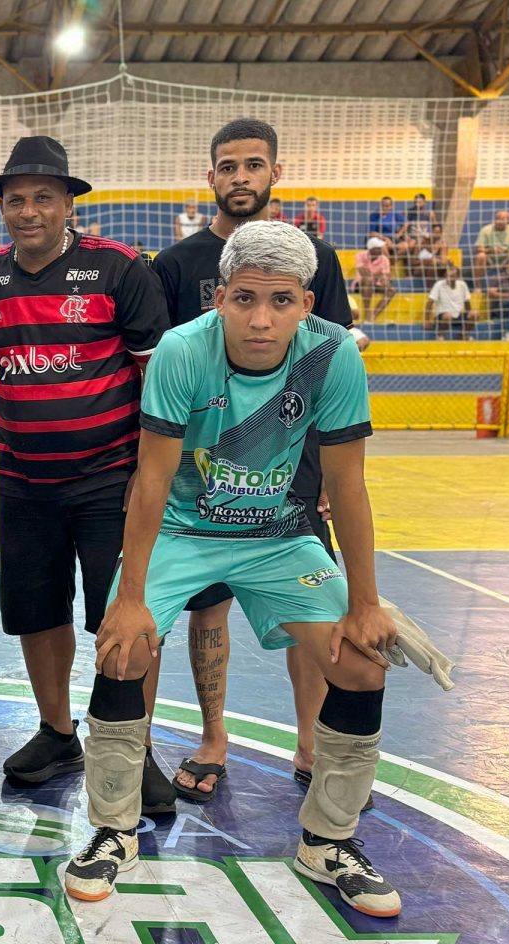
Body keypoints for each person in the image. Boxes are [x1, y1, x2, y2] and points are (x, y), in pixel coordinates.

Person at [65, 220, 402, 920]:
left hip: (278, 532)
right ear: (219, 298)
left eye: (281, 301)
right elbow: (152, 480)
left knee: (363, 660)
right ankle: (113, 830)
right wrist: (130, 597)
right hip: (183, 530)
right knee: (123, 648)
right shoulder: (182, 351)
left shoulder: (334, 354)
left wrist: (366, 602)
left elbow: (348, 485)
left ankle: (328, 841)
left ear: (306, 304)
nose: (261, 319)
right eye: (245, 298)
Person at [148, 116, 363, 809]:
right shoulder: (175, 265)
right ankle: (213, 738)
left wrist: (325, 475)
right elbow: (165, 378)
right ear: (210, 176)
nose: (241, 177)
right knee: (206, 607)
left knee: (308, 610)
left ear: (276, 172)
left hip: (293, 467)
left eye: (254, 165)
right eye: (229, 166)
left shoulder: (316, 258)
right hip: (201, 475)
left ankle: (310, 740)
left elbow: (331, 360)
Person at [0, 136, 169, 792]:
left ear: (68, 204)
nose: (28, 211)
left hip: (110, 482)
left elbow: (159, 383)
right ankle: (57, 733)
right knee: (36, 612)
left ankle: (135, 750)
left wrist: (150, 478)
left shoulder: (119, 270)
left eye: (42, 198)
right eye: (15, 200)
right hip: (22, 482)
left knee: (126, 620)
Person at [427, 264, 473, 339]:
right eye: (448, 276)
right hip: (443, 315)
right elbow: (429, 302)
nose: (449, 278)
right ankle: (440, 335)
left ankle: (463, 335)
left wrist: (469, 314)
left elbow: (467, 302)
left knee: (475, 314)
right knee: (448, 316)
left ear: (457, 277)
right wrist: (426, 320)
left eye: (452, 276)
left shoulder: (462, 285)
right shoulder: (439, 284)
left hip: (457, 315)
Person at [354, 238, 396, 320]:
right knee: (368, 280)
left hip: (376, 284)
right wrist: (379, 275)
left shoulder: (384, 259)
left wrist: (384, 279)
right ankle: (367, 312)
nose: (381, 250)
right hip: (360, 284)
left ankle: (373, 316)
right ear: (371, 249)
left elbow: (387, 277)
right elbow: (363, 274)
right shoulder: (360, 255)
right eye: (378, 248)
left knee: (392, 290)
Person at [475, 210, 509, 277]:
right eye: (497, 219)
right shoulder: (485, 229)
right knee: (481, 256)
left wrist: (508, 251)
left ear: (508, 221)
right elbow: (478, 249)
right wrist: (491, 250)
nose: (499, 221)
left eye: (502, 219)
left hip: (508, 257)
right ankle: (477, 283)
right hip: (490, 257)